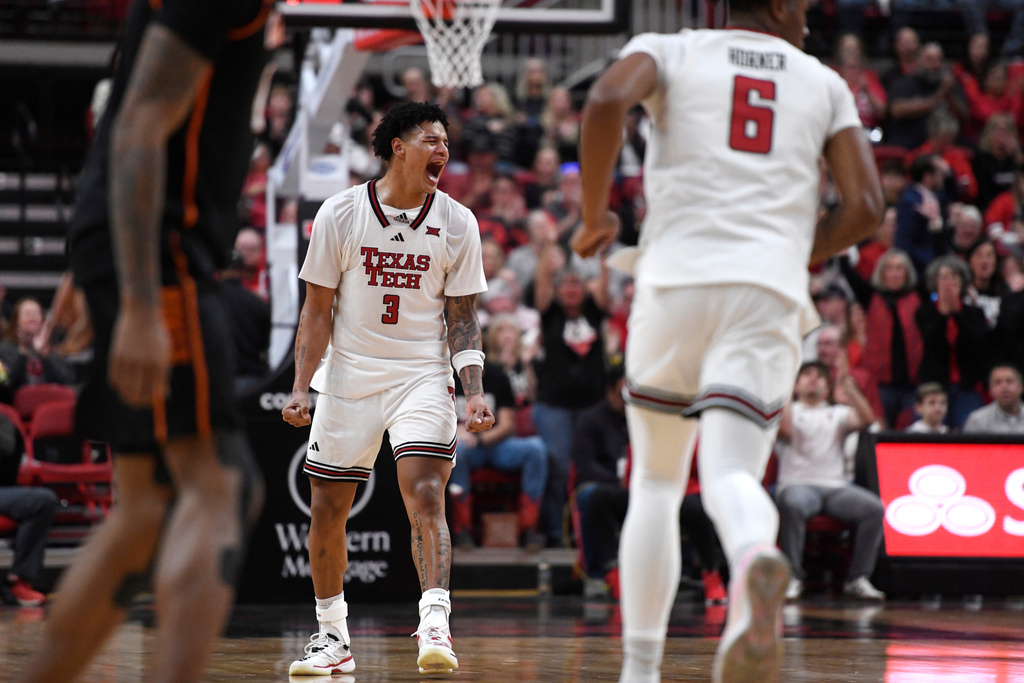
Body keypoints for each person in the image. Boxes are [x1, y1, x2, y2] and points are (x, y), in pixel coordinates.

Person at [571, 0, 884, 680]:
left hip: (674, 281)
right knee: (732, 473)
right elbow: (865, 206)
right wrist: (794, 251)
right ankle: (749, 557)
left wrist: (596, 216)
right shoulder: (824, 81)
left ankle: (640, 671)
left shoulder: (672, 50)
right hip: (765, 289)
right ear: (776, 6)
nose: (807, 18)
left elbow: (603, 99)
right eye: (802, 5)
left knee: (655, 480)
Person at [18, 2, 270, 682]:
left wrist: (92, 257)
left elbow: (133, 99)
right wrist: (132, 297)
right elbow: (139, 124)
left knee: (147, 507)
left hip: (136, 241)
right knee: (223, 485)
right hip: (160, 250)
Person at [281, 102, 493, 677]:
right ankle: (332, 638)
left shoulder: (458, 222)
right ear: (397, 146)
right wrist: (301, 386)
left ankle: (435, 622)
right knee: (327, 506)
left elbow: (463, 317)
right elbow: (316, 311)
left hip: (421, 375)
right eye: (431, 139)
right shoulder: (341, 213)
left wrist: (473, 390)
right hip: (349, 375)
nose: (442, 150)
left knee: (425, 490)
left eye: (446, 141)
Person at [775, 362, 885, 602]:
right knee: (791, 503)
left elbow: (867, 420)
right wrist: (783, 389)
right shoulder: (788, 410)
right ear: (796, 385)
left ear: (828, 388)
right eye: (807, 375)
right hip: (797, 484)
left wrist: (850, 388)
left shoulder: (837, 413)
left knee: (874, 509)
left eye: (820, 377)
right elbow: (785, 432)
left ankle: (858, 577)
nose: (813, 379)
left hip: (836, 488)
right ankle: (793, 576)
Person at [963, 364, 1024, 433]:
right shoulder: (977, 420)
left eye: (1009, 381)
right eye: (998, 382)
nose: (1004, 388)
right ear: (990, 390)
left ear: (1021, 387)